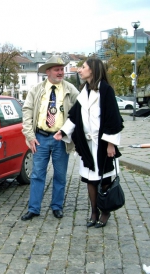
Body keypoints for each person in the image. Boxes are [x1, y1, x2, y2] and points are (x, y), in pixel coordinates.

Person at [54, 57, 124, 228]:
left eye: (83, 67)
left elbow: (113, 118)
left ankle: (105, 211)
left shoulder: (106, 91)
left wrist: (111, 144)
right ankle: (94, 211)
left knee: (104, 179)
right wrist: (63, 131)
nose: (80, 70)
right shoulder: (83, 92)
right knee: (90, 179)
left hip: (102, 144)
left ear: (92, 70)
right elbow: (74, 117)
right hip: (87, 145)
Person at [21, 55, 79, 221]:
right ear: (48, 72)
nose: (61, 72)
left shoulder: (70, 89)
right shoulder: (36, 90)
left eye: (62, 69)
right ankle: (34, 208)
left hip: (61, 139)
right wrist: (30, 136)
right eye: (57, 69)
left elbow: (81, 108)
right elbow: (26, 112)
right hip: (40, 138)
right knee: (37, 174)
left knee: (60, 175)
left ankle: (57, 206)